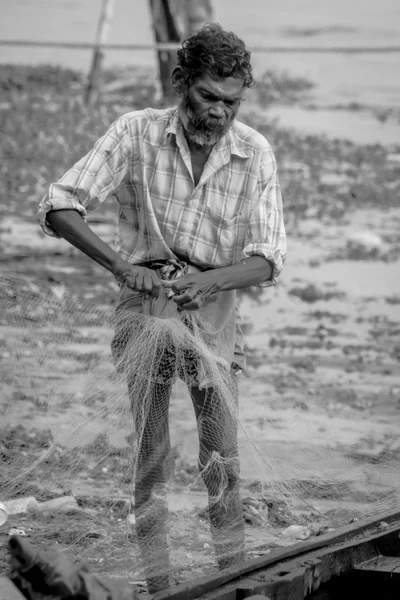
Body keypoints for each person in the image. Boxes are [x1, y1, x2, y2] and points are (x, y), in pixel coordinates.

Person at [37, 23, 286, 593]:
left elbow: (269, 258)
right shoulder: (136, 134)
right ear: (180, 82)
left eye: (232, 102)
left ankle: (233, 582)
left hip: (213, 307)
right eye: (207, 97)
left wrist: (212, 282)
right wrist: (120, 267)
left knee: (221, 459)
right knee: (151, 456)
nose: (220, 113)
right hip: (145, 299)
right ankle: (159, 583)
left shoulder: (254, 153)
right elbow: (58, 204)